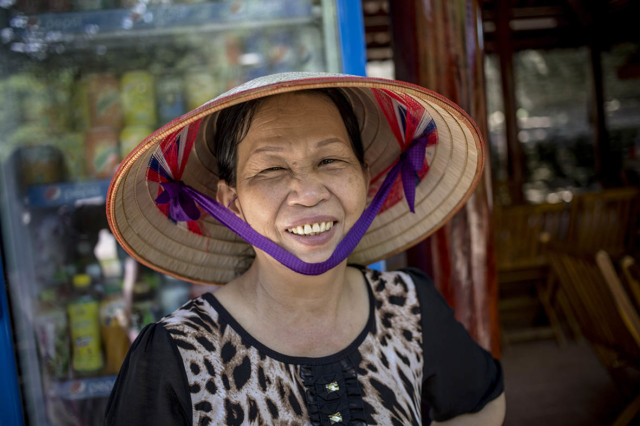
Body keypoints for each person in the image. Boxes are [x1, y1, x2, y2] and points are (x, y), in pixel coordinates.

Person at [105, 73, 505, 425]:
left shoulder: (408, 306)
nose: (309, 194)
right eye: (272, 169)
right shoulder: (178, 352)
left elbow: (481, 404)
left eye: (330, 160)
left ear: (366, 181)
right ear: (231, 202)